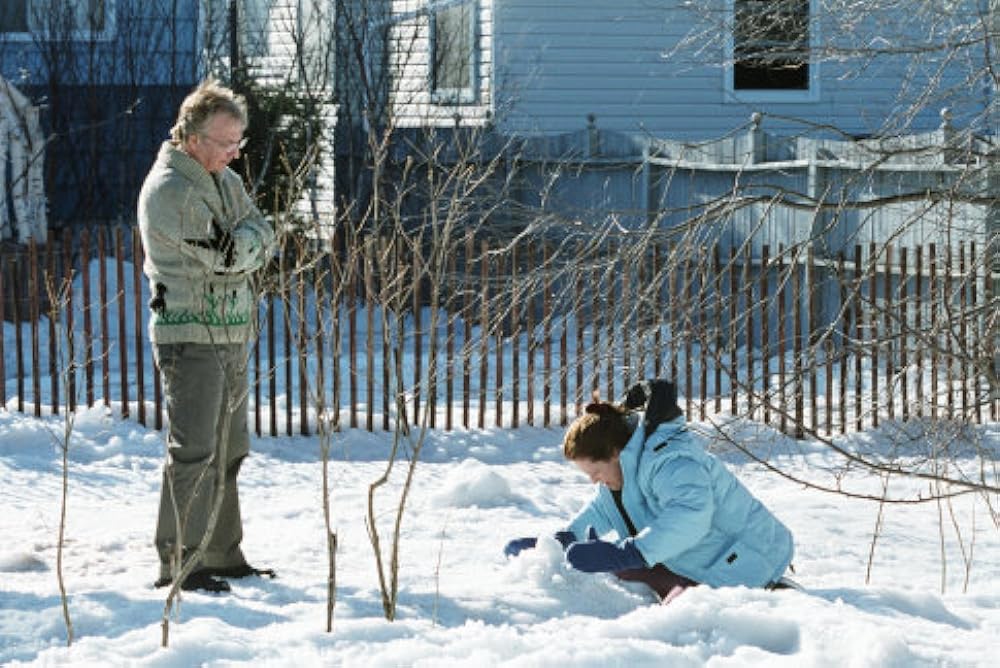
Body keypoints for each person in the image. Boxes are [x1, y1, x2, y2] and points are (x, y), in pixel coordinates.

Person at [138, 78, 277, 593]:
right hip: (190, 333)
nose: (235, 154)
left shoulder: (224, 180)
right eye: (225, 143)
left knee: (229, 447)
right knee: (195, 449)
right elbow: (227, 254)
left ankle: (221, 552)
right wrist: (249, 244)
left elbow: (263, 233)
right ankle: (180, 561)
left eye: (239, 142)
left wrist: (250, 242)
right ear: (193, 137)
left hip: (231, 330)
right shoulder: (170, 190)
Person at [504, 380, 795, 602]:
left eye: (595, 472)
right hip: (702, 565)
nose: (594, 481)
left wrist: (630, 552)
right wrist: (562, 541)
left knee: (648, 588)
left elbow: (690, 516)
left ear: (615, 452)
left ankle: (784, 592)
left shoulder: (670, 459)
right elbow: (604, 509)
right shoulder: (625, 468)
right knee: (621, 572)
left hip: (750, 565)